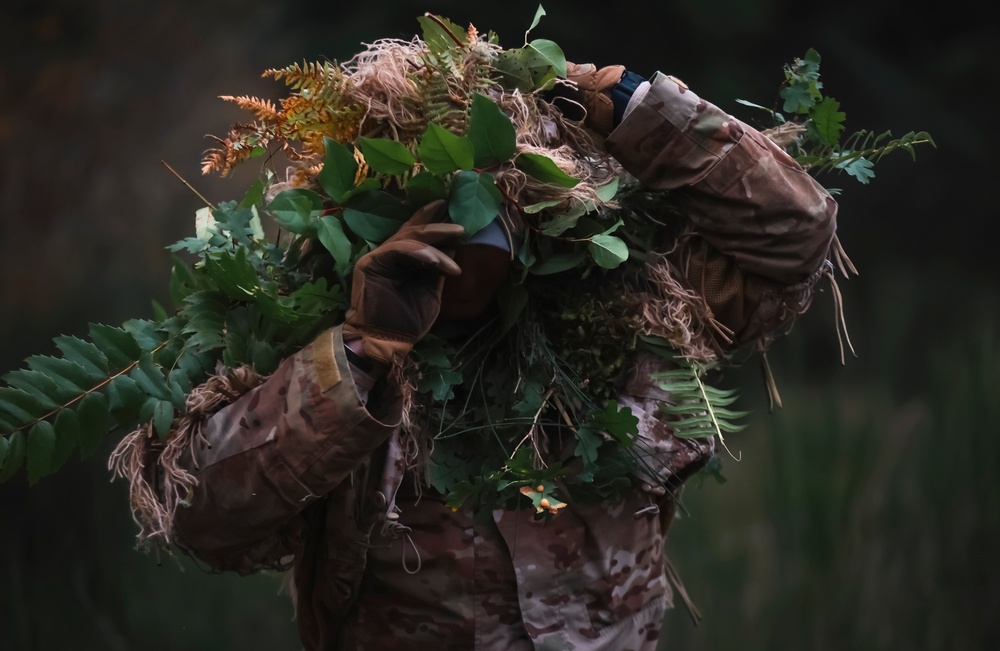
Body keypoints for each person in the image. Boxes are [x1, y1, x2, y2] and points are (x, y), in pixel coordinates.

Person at [124, 59, 840, 650]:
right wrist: (361, 352)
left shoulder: (627, 318)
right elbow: (198, 515)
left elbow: (794, 228)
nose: (466, 246)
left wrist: (633, 107)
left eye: (492, 207)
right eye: (434, 209)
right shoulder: (328, 358)